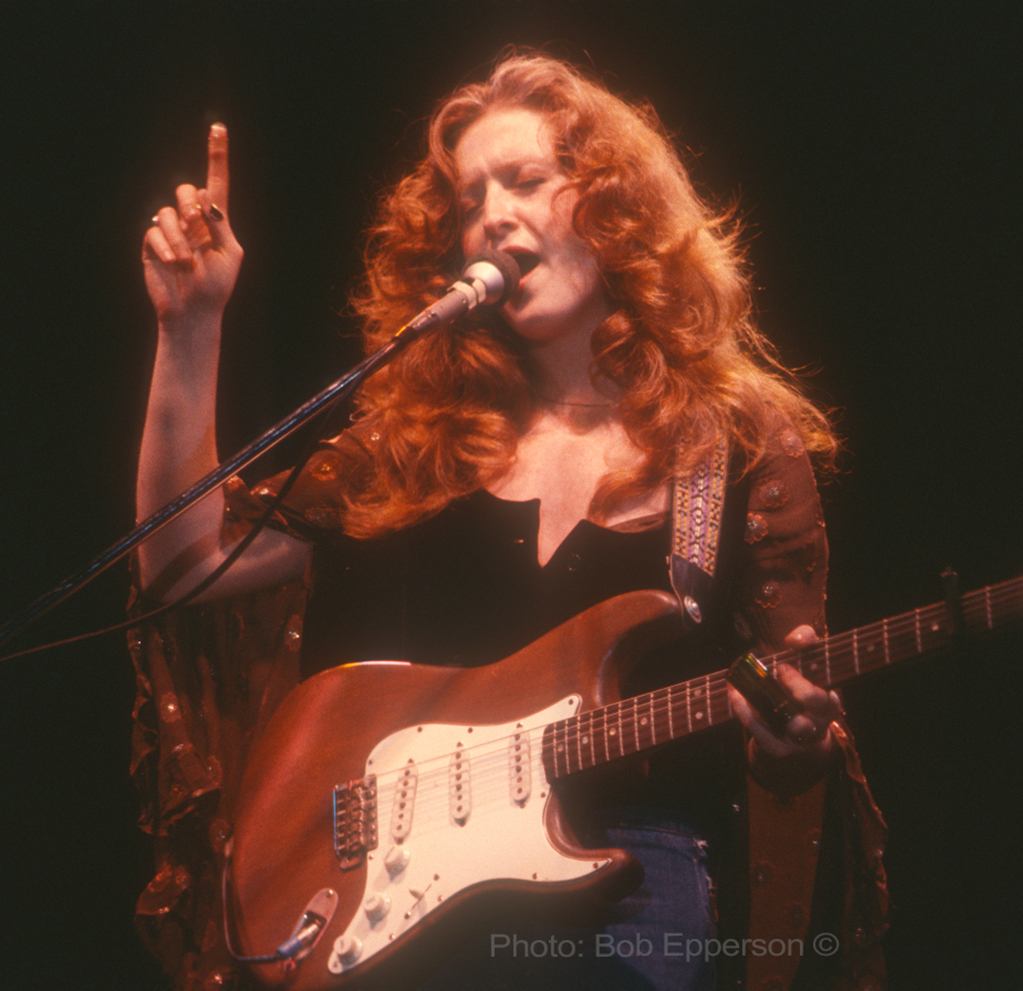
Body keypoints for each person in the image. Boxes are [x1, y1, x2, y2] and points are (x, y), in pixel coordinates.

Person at [132, 53, 887, 990]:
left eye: (526, 180)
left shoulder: (731, 440)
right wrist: (191, 324)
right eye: (469, 198)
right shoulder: (423, 438)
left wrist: (794, 733)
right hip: (406, 887)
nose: (491, 212)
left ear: (616, 207)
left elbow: (789, 704)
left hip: (631, 879)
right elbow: (183, 560)